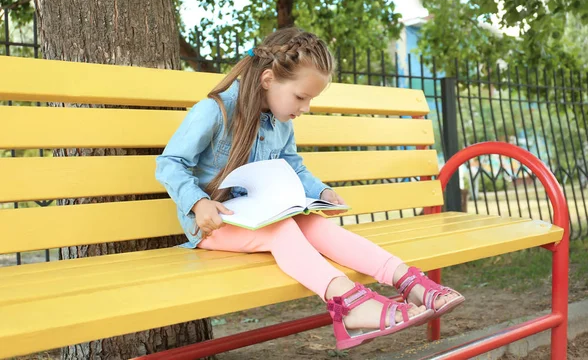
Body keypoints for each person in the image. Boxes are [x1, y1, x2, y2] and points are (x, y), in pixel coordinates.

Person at [156, 27, 463, 349]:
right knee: (282, 229)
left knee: (313, 223)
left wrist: (322, 192)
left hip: (260, 218)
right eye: (301, 97)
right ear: (268, 79)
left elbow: (293, 166)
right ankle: (351, 305)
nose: (305, 108)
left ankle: (408, 280)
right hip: (212, 224)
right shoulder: (216, 110)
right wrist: (198, 203)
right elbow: (170, 163)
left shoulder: (280, 122)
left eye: (310, 100)